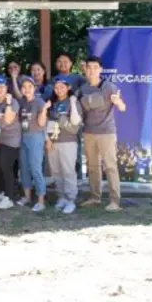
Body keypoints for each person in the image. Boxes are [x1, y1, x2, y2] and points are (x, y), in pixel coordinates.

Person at [79, 56, 127, 211]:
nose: (92, 70)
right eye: (89, 67)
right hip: (88, 132)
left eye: (95, 67)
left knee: (110, 166)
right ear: (85, 69)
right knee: (92, 166)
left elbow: (122, 108)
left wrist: (117, 101)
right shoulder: (83, 89)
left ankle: (115, 201)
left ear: (100, 69)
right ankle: (95, 197)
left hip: (106, 132)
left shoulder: (110, 87)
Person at [47, 76, 83, 214]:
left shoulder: (73, 102)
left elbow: (75, 122)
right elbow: (48, 124)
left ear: (68, 88)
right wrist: (48, 140)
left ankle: (71, 199)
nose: (58, 90)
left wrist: (73, 103)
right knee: (56, 171)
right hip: (53, 142)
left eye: (62, 87)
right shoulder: (53, 104)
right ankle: (61, 197)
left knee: (68, 171)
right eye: (56, 87)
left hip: (68, 142)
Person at [0, 75, 21, 210]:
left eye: (1, 87)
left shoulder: (13, 102)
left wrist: (7, 103)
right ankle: (3, 192)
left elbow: (7, 120)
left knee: (5, 166)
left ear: (6, 87)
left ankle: (10, 198)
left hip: (11, 140)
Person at [17, 77, 49, 212]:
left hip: (36, 137)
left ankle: (41, 201)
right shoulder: (21, 102)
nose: (27, 89)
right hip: (23, 137)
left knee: (35, 168)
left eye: (29, 86)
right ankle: (27, 197)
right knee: (24, 168)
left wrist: (44, 110)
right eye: (24, 87)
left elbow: (42, 124)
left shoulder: (39, 102)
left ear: (34, 88)